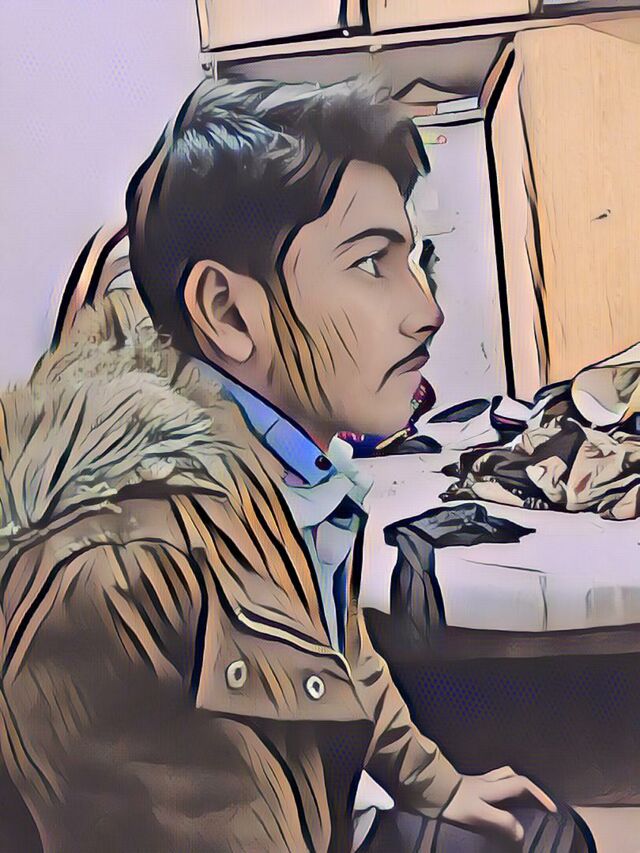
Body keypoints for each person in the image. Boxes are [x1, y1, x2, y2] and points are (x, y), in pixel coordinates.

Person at [0, 77, 594, 852]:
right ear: (226, 310)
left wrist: (439, 784)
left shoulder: (289, 472)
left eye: (412, 260)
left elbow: (336, 658)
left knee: (545, 831)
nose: (428, 311)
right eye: (371, 263)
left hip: (320, 822)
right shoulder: (115, 574)